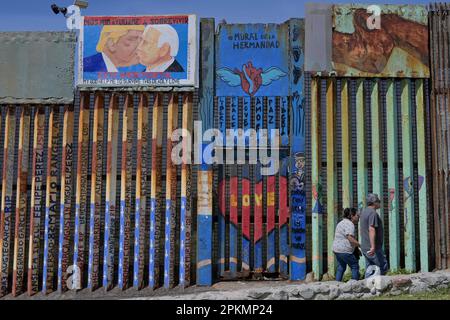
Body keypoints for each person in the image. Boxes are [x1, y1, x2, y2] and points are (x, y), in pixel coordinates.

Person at [360, 193, 388, 277]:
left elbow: (361, 229)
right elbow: (371, 229)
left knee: (370, 268)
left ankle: (368, 287)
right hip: (373, 247)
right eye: (378, 201)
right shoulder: (373, 213)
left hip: (365, 246)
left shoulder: (364, 212)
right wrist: (373, 246)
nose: (380, 203)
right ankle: (380, 286)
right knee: (382, 266)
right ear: (374, 202)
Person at [332, 208, 361, 281]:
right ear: (351, 216)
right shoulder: (350, 224)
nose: (358, 217)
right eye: (357, 215)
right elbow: (350, 238)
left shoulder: (341, 222)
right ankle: (355, 285)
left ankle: (337, 284)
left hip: (337, 249)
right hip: (344, 250)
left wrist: (356, 249)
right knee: (354, 266)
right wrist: (359, 245)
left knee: (341, 267)